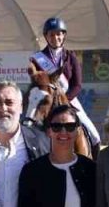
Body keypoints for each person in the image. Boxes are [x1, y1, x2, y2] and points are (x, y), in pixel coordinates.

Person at [27, 17, 101, 145]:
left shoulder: (71, 56)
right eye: (52, 34)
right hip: (45, 104)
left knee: (95, 136)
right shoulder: (37, 59)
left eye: (58, 34)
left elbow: (77, 85)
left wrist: (64, 100)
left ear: (64, 35)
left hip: (69, 101)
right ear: (46, 36)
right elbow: (36, 85)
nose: (55, 38)